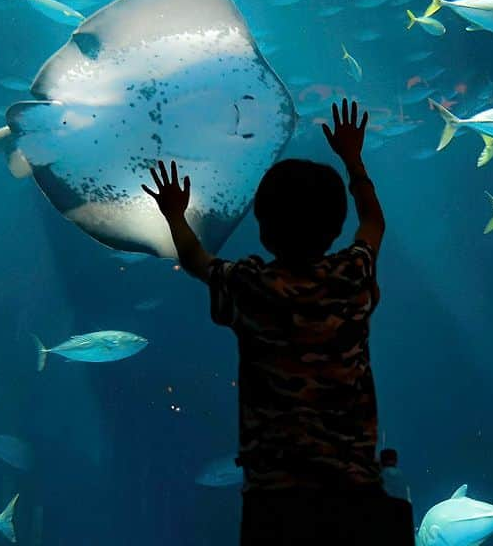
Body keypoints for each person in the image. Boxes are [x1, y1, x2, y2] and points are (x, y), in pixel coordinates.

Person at [141, 98, 414, 546]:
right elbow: (373, 222)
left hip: (275, 497)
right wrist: (353, 159)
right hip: (354, 489)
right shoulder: (352, 274)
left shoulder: (250, 285)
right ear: (334, 226)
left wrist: (175, 213)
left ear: (264, 229)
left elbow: (195, 260)